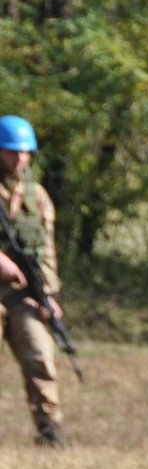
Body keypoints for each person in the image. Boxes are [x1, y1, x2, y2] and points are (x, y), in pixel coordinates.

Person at [0, 114, 66, 446]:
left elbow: (48, 250)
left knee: (40, 353)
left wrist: (48, 296)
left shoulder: (37, 196)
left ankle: (49, 429)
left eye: (25, 152)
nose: (20, 158)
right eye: (12, 151)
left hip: (23, 292)